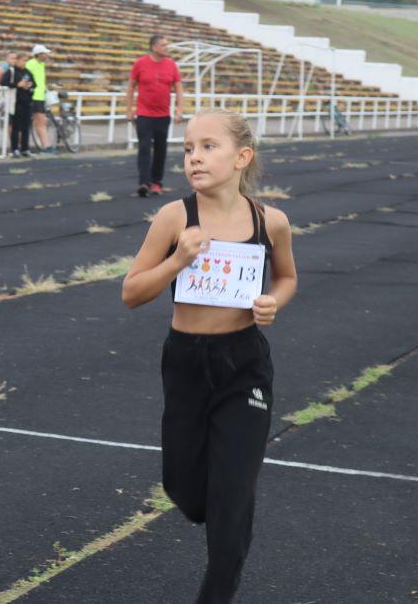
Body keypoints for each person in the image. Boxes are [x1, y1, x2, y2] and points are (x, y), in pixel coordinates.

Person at [121, 108, 297, 604]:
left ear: (243, 157)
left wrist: (271, 303)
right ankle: (206, 504)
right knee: (186, 489)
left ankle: (216, 593)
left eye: (207, 146)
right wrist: (178, 259)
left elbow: (286, 279)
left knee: (232, 495)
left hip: (244, 365)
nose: (194, 157)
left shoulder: (271, 222)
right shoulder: (175, 217)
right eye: (187, 149)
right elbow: (132, 292)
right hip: (186, 363)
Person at [127, 34, 184, 198]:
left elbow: (179, 88)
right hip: (144, 114)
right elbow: (131, 87)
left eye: (167, 44)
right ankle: (143, 183)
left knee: (160, 149)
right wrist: (129, 109)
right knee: (144, 148)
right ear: (154, 47)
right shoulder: (140, 63)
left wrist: (179, 109)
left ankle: (156, 182)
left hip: (163, 115)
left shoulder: (172, 65)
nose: (167, 48)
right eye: (164, 45)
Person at [1, 52, 34, 158]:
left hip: (27, 102)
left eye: (26, 60)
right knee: (15, 127)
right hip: (16, 103)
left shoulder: (27, 71)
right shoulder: (11, 71)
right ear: (18, 60)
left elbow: (34, 83)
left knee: (26, 127)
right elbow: (3, 83)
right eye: (23, 60)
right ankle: (14, 149)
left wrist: (29, 85)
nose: (25, 62)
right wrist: (17, 85)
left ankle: (25, 148)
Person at [24, 44, 55, 154]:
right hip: (33, 97)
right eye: (45, 53)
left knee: (40, 122)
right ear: (39, 54)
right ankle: (46, 146)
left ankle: (45, 146)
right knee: (39, 122)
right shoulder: (30, 64)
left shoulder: (41, 65)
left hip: (40, 97)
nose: (47, 55)